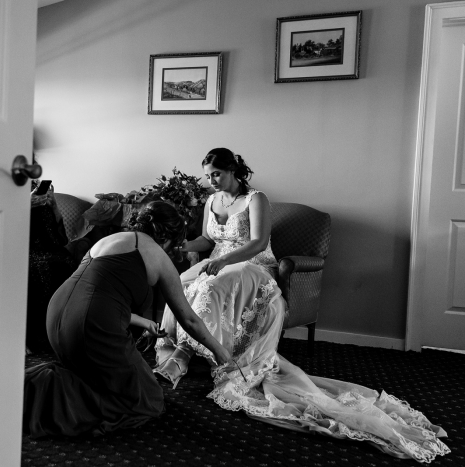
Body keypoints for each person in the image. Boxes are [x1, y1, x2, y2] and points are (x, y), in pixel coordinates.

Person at [154, 148, 450, 462]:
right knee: (182, 281)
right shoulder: (212, 201)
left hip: (253, 266)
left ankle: (202, 350)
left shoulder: (256, 199)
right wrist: (185, 245)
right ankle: (180, 352)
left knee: (212, 286)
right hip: (219, 263)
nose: (211, 181)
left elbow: (256, 242)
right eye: (208, 175)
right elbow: (206, 239)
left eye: (216, 174)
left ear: (233, 171)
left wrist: (225, 259)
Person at [22, 201, 232, 438]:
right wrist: (220, 351)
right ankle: (49, 405)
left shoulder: (110, 240)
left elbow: (96, 295)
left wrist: (143, 323)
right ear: (170, 236)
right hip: (90, 327)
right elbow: (189, 320)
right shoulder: (156, 254)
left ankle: (36, 390)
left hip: (56, 317)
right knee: (147, 399)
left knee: (96, 376)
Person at [25, 183, 79, 351]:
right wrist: (24, 204)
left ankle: (64, 332)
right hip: (25, 251)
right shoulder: (7, 198)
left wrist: (54, 205)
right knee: (42, 269)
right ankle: (38, 338)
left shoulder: (42, 200)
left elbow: (62, 240)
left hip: (53, 250)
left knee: (69, 264)